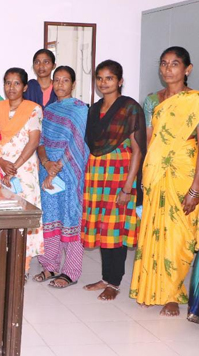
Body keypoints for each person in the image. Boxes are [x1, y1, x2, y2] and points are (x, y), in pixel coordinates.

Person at [131, 46, 199, 320]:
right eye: (164, 63)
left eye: (174, 64)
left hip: (184, 174)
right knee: (154, 232)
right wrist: (144, 177)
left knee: (180, 236)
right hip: (155, 175)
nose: (168, 69)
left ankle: (172, 294)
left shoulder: (195, 101)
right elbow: (149, 143)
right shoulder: (152, 101)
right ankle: (153, 290)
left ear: (187, 69)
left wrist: (195, 189)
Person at [82, 60, 145, 301]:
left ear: (120, 81)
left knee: (116, 227)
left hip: (120, 172)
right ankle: (105, 278)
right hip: (97, 172)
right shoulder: (94, 108)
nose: (103, 82)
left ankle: (115, 282)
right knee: (103, 227)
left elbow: (138, 150)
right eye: (100, 78)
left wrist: (128, 186)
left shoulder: (130, 107)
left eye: (109, 78)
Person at [34, 66, 89, 288]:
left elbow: (77, 140)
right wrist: (47, 164)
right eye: (56, 80)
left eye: (65, 80)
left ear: (73, 84)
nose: (60, 84)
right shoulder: (48, 110)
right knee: (49, 218)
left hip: (70, 169)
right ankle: (49, 266)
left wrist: (57, 167)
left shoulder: (80, 109)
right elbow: (40, 142)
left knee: (70, 217)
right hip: (47, 169)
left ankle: (71, 272)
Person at [0, 68, 43, 278]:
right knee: (1, 214)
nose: (11, 88)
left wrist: (15, 165)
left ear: (25, 87)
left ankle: (23, 265)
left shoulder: (34, 109)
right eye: (7, 83)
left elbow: (34, 141)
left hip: (24, 170)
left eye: (16, 83)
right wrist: (2, 162)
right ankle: (1, 262)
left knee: (24, 214)